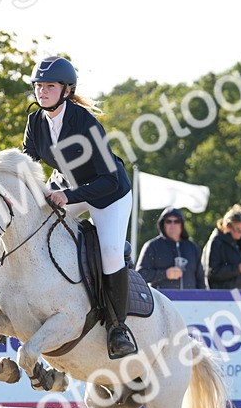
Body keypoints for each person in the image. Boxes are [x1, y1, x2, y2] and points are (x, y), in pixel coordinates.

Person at [22, 55, 137, 358]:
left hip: (108, 193)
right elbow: (28, 166)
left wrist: (68, 196)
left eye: (50, 86)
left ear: (67, 90)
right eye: (39, 85)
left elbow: (109, 180)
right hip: (67, 187)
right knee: (37, 229)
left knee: (110, 251)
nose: (42, 91)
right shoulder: (35, 121)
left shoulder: (86, 123)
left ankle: (117, 328)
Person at [135, 207, 205, 290]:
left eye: (176, 221)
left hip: (189, 298)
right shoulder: (152, 246)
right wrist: (164, 274)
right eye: (168, 221)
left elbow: (200, 279)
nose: (172, 225)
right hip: (160, 297)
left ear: (182, 224)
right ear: (163, 224)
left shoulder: (192, 248)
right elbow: (139, 274)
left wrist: (201, 296)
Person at [201, 205, 241, 291]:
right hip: (224, 296)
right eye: (238, 229)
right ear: (228, 226)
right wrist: (238, 269)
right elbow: (212, 272)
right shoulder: (216, 243)